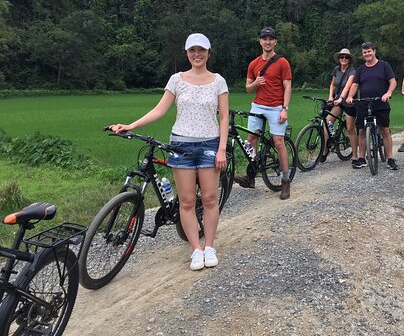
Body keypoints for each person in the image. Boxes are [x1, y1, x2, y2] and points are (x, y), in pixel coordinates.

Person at [110, 33, 229, 271]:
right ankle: (196, 249)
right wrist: (131, 125)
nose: (197, 54)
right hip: (180, 145)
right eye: (192, 50)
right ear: (186, 53)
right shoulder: (177, 79)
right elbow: (159, 110)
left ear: (208, 52)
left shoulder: (218, 81)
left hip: (209, 145)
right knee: (186, 201)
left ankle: (210, 247)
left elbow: (224, 116)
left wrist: (222, 149)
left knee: (209, 198)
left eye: (201, 50)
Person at [237, 26, 293, 199]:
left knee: (278, 142)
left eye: (271, 39)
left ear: (275, 41)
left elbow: (287, 86)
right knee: (251, 139)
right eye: (264, 39)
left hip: (276, 106)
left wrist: (285, 108)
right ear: (260, 41)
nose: (267, 42)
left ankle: (285, 182)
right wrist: (255, 84)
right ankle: (252, 175)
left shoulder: (282, 62)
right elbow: (247, 88)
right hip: (258, 105)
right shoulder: (253, 64)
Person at [346, 41, 398, 170]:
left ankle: (390, 158)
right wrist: (350, 96)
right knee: (362, 131)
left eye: (369, 51)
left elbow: (393, 81)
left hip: (381, 102)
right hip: (364, 103)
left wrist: (388, 93)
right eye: (364, 52)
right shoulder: (360, 70)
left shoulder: (384, 66)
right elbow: (355, 85)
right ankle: (362, 158)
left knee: (385, 130)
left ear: (374, 51)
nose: (367, 54)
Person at [328, 48, 358, 164]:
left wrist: (341, 98)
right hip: (337, 101)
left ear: (349, 59)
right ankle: (325, 150)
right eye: (341, 57)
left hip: (349, 101)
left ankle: (355, 155)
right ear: (339, 59)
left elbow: (348, 86)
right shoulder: (336, 70)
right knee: (327, 122)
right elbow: (332, 84)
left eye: (346, 57)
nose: (344, 59)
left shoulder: (352, 71)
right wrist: (331, 96)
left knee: (350, 129)